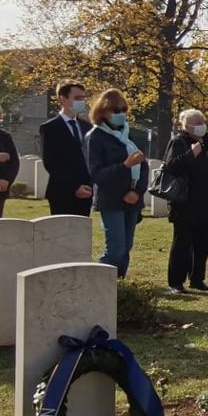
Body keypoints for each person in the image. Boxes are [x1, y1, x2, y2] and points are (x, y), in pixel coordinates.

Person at [85, 88, 148, 277]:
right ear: (102, 112)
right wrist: (125, 165)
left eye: (123, 110)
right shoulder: (95, 137)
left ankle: (119, 289)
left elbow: (143, 166)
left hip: (133, 199)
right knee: (116, 248)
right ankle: (99, 285)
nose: (120, 115)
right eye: (115, 110)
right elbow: (97, 174)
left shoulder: (128, 135)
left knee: (126, 247)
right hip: (112, 200)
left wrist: (137, 191)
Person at [162, 109, 208, 293]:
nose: (202, 126)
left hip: (205, 200)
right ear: (186, 126)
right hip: (184, 202)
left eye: (203, 121)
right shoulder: (178, 142)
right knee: (182, 244)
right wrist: (191, 154)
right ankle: (175, 282)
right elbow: (171, 167)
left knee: (204, 240)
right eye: (197, 123)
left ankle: (197, 278)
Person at [37, 82, 94, 217]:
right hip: (62, 191)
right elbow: (51, 162)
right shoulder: (50, 128)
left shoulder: (87, 127)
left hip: (86, 191)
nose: (81, 102)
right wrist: (74, 186)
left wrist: (88, 185)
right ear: (63, 99)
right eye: (77, 98)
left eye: (83, 98)